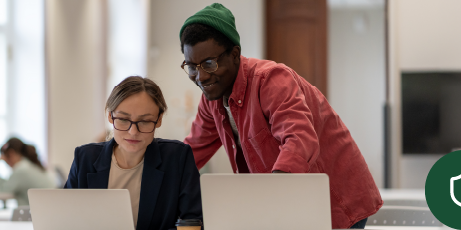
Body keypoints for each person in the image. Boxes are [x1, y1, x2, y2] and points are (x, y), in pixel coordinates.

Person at [179, 3, 383, 229]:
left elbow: (300, 139)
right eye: (192, 66)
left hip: (336, 198)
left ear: (235, 55)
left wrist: (272, 197)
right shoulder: (211, 100)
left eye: (209, 63)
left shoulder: (270, 80)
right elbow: (190, 152)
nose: (201, 76)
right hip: (292, 201)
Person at [65, 76, 203, 230]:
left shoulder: (177, 158)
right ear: (110, 116)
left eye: (144, 121)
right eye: (123, 119)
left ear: (159, 119)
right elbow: (66, 219)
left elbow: (194, 222)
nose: (133, 132)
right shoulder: (85, 158)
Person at [0, 137, 57, 207]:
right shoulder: (29, 165)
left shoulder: (21, 170)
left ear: (11, 154)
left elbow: (1, 192)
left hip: (36, 214)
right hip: (47, 210)